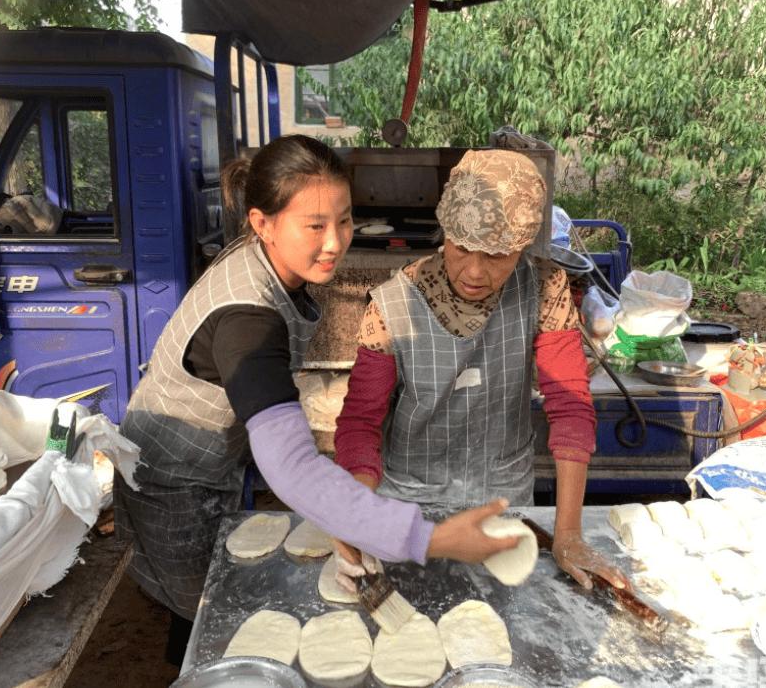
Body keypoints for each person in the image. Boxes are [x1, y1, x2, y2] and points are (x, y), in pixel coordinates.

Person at [114, 136, 521, 666]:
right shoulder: (245, 318)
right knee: (212, 626)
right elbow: (290, 466)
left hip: (211, 464)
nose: (335, 243)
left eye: (345, 221)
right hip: (172, 483)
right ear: (262, 223)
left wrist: (350, 520)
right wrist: (431, 538)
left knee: (210, 613)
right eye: (315, 226)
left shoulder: (267, 261)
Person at [333, 149, 628, 591]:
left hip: (502, 506)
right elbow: (360, 424)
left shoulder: (545, 289)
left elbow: (569, 407)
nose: (473, 271)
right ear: (446, 231)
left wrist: (567, 534)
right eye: (462, 247)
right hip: (412, 507)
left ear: (522, 247)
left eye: (497, 255)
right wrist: (359, 514)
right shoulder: (391, 307)